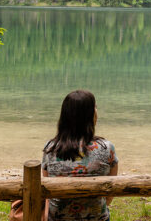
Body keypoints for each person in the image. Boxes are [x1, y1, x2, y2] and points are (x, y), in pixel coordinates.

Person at [41, 89, 119, 221]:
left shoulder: (51, 148)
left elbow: (49, 191)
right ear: (91, 115)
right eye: (95, 107)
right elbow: (109, 195)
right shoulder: (107, 148)